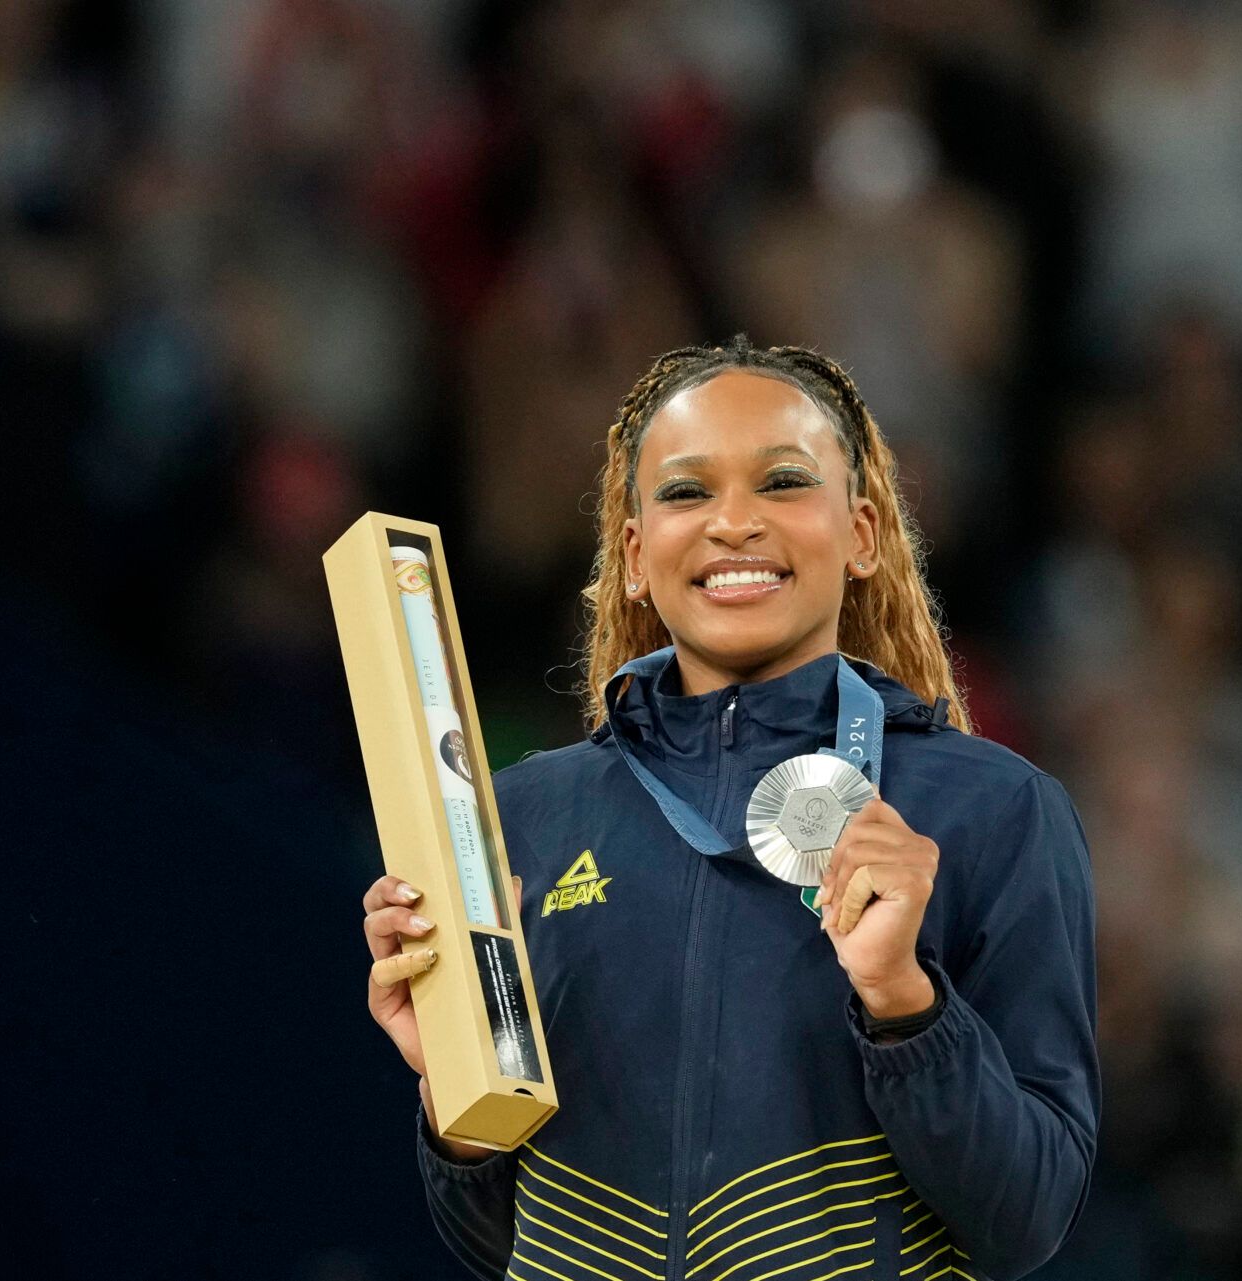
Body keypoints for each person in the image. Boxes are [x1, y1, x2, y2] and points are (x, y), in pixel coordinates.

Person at [361, 336, 1099, 1281]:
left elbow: (1029, 1216)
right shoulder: (525, 818)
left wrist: (906, 1006)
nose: (733, 523)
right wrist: (455, 1089)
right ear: (634, 555)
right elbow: (499, 1244)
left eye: (784, 482)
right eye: (685, 491)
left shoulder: (991, 811)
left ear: (863, 533)